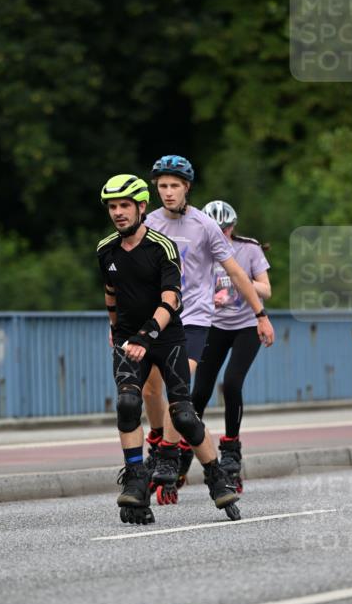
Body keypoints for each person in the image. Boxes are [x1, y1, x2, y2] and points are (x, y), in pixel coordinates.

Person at [96, 173, 242, 524]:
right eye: (112, 207)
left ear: (141, 207)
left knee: (183, 416)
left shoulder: (162, 247)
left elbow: (172, 298)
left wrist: (146, 335)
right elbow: (111, 292)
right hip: (130, 338)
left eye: (125, 206)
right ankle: (135, 478)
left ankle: (216, 477)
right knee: (128, 404)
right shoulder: (105, 249)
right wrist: (115, 329)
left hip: (166, 338)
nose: (118, 213)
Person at [142, 155, 274, 501]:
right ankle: (163, 444)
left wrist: (260, 314)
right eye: (162, 186)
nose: (168, 192)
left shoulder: (205, 226)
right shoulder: (148, 223)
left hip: (197, 319)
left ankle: (171, 454)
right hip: (159, 316)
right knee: (152, 392)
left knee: (185, 387)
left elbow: (237, 274)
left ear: (186, 187)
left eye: (174, 185)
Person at [191, 200, 272, 490]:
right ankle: (183, 449)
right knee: (199, 391)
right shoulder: (198, 251)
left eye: (225, 229)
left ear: (232, 227)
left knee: (232, 384)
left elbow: (266, 289)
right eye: (215, 230)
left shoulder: (249, 249)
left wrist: (240, 279)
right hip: (213, 325)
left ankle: (231, 450)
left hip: (246, 326)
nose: (221, 235)